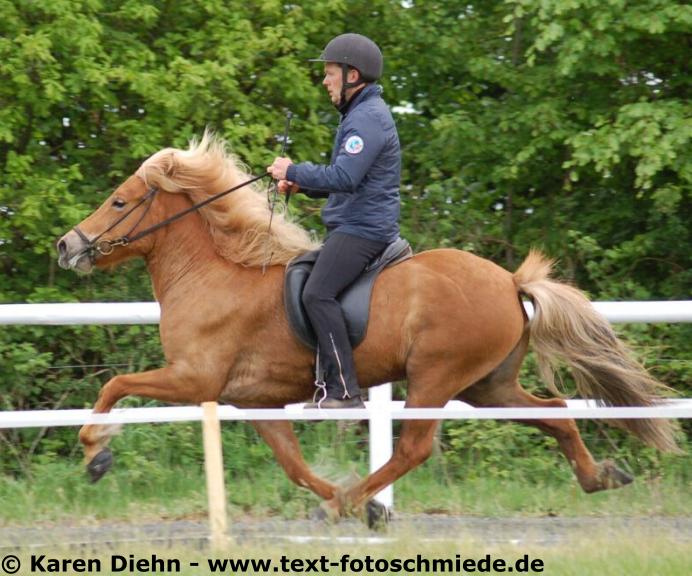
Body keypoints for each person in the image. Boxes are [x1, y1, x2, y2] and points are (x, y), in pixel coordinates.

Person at [267, 33, 401, 409]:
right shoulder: (359, 115)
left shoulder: (367, 120)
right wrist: (300, 183)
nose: (325, 81)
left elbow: (344, 177)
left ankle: (344, 390)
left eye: (329, 73)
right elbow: (344, 183)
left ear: (352, 75)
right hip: (355, 222)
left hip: (364, 229)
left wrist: (294, 167)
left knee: (316, 293)